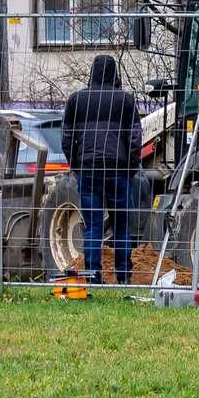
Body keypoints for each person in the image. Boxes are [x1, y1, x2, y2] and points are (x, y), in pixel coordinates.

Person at [62, 54, 141, 285]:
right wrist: (131, 167)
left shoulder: (76, 100)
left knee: (93, 226)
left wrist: (76, 165)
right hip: (118, 170)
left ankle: (93, 277)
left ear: (92, 72)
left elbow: (67, 139)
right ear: (114, 73)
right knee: (121, 225)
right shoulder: (126, 101)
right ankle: (124, 276)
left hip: (89, 169)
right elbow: (135, 138)